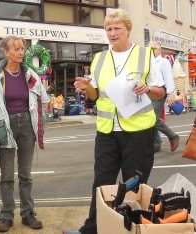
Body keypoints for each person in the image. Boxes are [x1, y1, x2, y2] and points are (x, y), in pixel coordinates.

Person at [63, 9, 165, 234]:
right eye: (108, 29)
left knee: (133, 187)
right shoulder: (99, 58)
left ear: (128, 30)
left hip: (138, 132)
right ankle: (90, 230)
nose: (112, 32)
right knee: (101, 184)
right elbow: (95, 96)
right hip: (107, 131)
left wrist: (147, 88)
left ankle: (129, 229)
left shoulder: (145, 55)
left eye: (117, 28)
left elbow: (161, 91)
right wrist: (86, 86)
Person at [0, 36, 49, 232]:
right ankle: (7, 215)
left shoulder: (29, 74)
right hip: (7, 125)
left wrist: (40, 100)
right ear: (6, 52)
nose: (21, 52)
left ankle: (28, 213)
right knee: (6, 175)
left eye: (22, 48)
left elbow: (43, 100)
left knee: (26, 174)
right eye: (16, 49)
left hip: (27, 125)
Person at [149, 41, 179, 153]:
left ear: (159, 50)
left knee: (152, 119)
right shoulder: (149, 61)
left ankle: (172, 136)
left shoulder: (163, 62)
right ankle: (156, 143)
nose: (151, 50)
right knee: (151, 118)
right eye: (149, 48)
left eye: (153, 48)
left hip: (160, 93)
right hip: (149, 93)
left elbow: (168, 77)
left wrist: (171, 93)